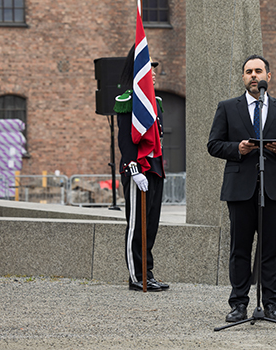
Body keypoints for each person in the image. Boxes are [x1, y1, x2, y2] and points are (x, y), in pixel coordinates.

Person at [207, 55, 276, 323]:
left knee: (271, 250)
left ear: (268, 77)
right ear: (243, 77)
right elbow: (213, 144)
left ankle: (272, 304)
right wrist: (237, 148)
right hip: (239, 189)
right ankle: (238, 304)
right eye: (248, 71)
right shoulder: (227, 107)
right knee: (240, 248)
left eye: (258, 71)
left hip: (272, 187)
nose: (253, 76)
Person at [116, 45, 167, 292]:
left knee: (151, 225)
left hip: (155, 168)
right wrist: (133, 167)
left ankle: (148, 272)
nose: (154, 73)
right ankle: (136, 275)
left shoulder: (154, 102)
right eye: (149, 68)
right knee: (136, 225)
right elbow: (126, 140)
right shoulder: (128, 101)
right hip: (138, 170)